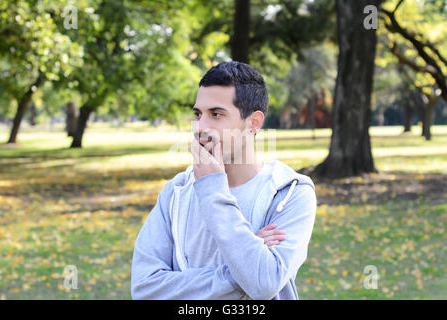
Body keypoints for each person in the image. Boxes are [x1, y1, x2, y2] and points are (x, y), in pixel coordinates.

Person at [131, 61, 317, 300]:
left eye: (216, 114)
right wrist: (238, 274)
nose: (201, 127)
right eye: (198, 114)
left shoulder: (289, 193)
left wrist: (212, 189)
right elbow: (144, 290)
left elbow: (264, 283)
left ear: (253, 123)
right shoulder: (176, 191)